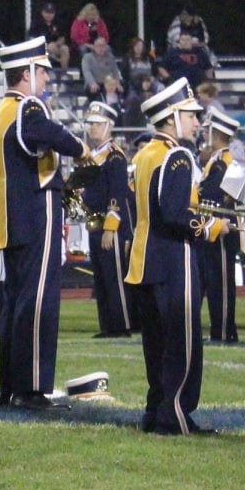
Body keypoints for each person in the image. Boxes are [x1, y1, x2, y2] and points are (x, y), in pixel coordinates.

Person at [123, 77, 227, 434]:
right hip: (173, 261)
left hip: (144, 263)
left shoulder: (143, 155)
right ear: (171, 117)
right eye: (191, 115)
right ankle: (176, 414)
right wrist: (209, 228)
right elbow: (174, 213)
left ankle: (156, 412)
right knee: (182, 345)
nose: (197, 123)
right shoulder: (176, 156)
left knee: (156, 345)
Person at [0, 35, 86, 410]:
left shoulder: (2, 111)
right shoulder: (28, 107)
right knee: (38, 302)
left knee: (16, 303)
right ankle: (31, 387)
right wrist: (82, 149)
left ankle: (11, 386)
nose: (47, 78)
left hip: (12, 220)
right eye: (42, 70)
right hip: (35, 214)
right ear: (27, 72)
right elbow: (48, 133)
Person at [75, 101, 133, 339]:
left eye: (97, 124)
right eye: (90, 124)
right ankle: (107, 326)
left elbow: (117, 194)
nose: (92, 129)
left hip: (111, 226)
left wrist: (111, 228)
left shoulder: (114, 157)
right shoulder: (93, 156)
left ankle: (121, 325)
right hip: (94, 222)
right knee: (101, 277)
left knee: (114, 276)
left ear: (109, 126)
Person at [195, 107, 244, 343]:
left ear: (216, 134)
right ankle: (220, 330)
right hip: (213, 227)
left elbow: (218, 197)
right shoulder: (216, 161)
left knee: (222, 285)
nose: (204, 136)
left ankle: (224, 331)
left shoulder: (226, 163)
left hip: (223, 229)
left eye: (208, 131)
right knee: (214, 283)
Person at [67, 3, 112, 78]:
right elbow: (74, 37)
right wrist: (89, 45)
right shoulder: (78, 22)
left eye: (93, 14)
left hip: (98, 44)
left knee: (108, 48)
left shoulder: (100, 22)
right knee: (83, 49)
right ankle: (86, 72)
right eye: (89, 14)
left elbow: (105, 36)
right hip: (83, 44)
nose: (91, 16)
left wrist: (99, 44)